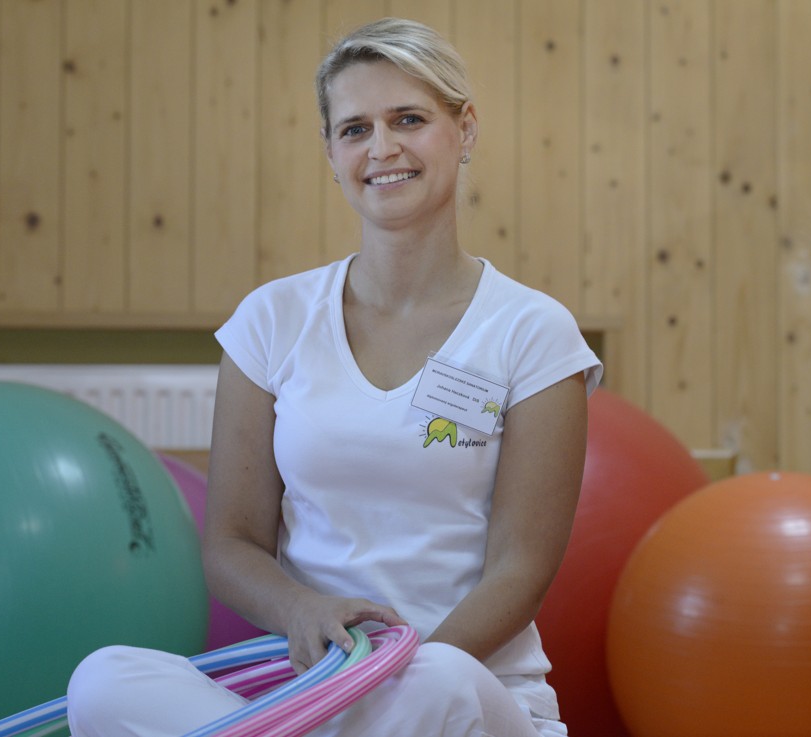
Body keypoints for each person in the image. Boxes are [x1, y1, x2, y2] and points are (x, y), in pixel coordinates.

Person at [67, 17, 602, 737]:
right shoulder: (270, 319)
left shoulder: (532, 331)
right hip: (308, 694)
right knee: (105, 681)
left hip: (461, 687)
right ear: (330, 151)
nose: (382, 148)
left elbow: (521, 568)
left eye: (408, 119)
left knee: (436, 684)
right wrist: (299, 609)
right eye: (355, 129)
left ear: (465, 129)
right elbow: (230, 543)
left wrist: (393, 674)